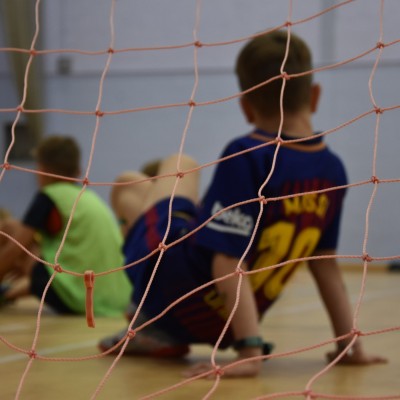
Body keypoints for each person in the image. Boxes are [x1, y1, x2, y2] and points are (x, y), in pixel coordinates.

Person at [99, 30, 387, 376]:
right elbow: (325, 266)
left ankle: (145, 316)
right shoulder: (333, 169)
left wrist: (250, 350)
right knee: (141, 187)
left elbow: (227, 261)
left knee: (154, 174)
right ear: (315, 96)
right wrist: (350, 347)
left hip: (174, 289)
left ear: (245, 105)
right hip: (223, 321)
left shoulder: (246, 154)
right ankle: (149, 325)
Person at [0, 135, 132, 316]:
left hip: (76, 296)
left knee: (9, 229)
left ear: (41, 168)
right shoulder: (89, 197)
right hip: (115, 300)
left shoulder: (50, 195)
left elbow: (17, 247)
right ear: (77, 169)